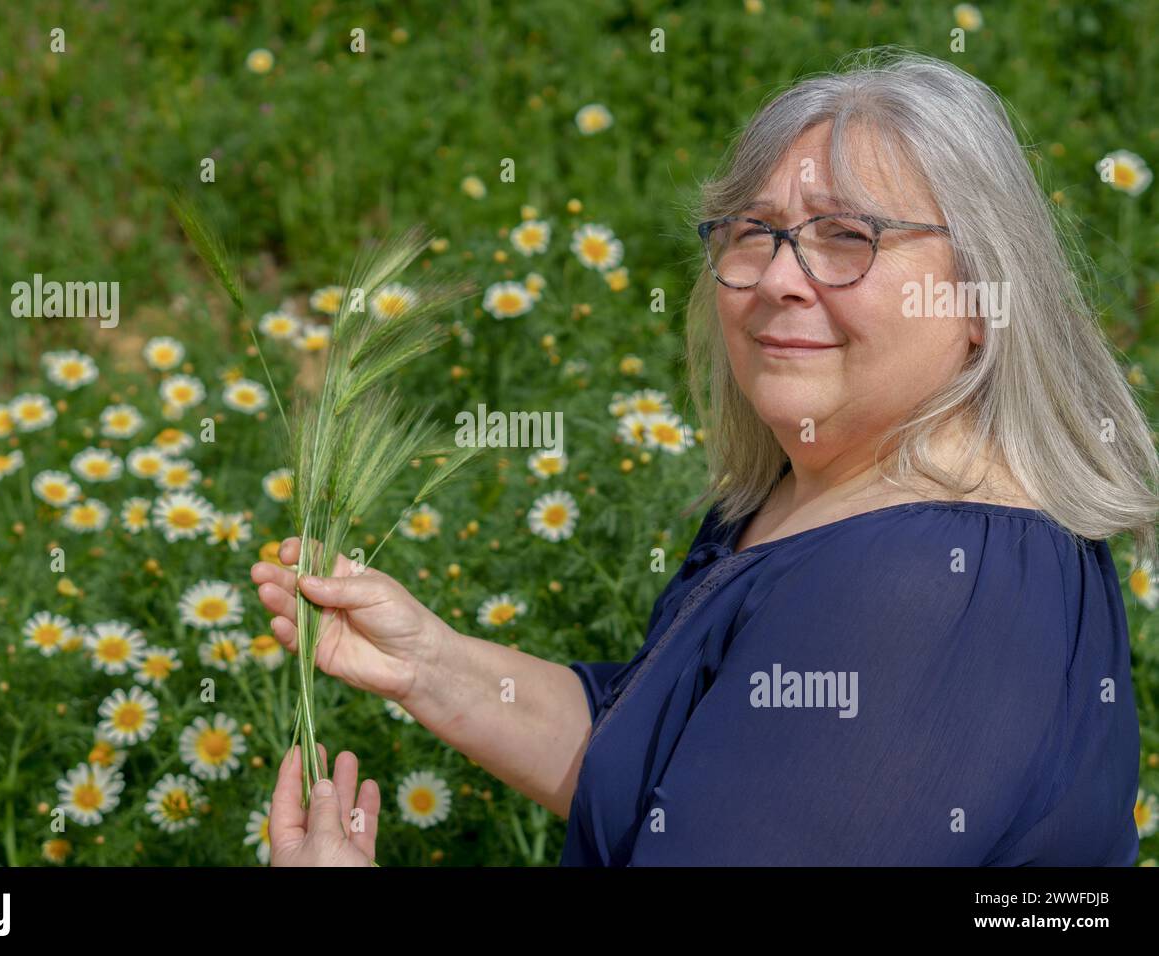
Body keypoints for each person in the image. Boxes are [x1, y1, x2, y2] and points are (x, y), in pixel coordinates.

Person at [251, 48, 1158, 866]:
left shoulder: (921, 590)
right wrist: (430, 665)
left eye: (850, 237)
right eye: (753, 232)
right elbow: (669, 774)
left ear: (980, 299)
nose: (776, 278)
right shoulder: (809, 506)